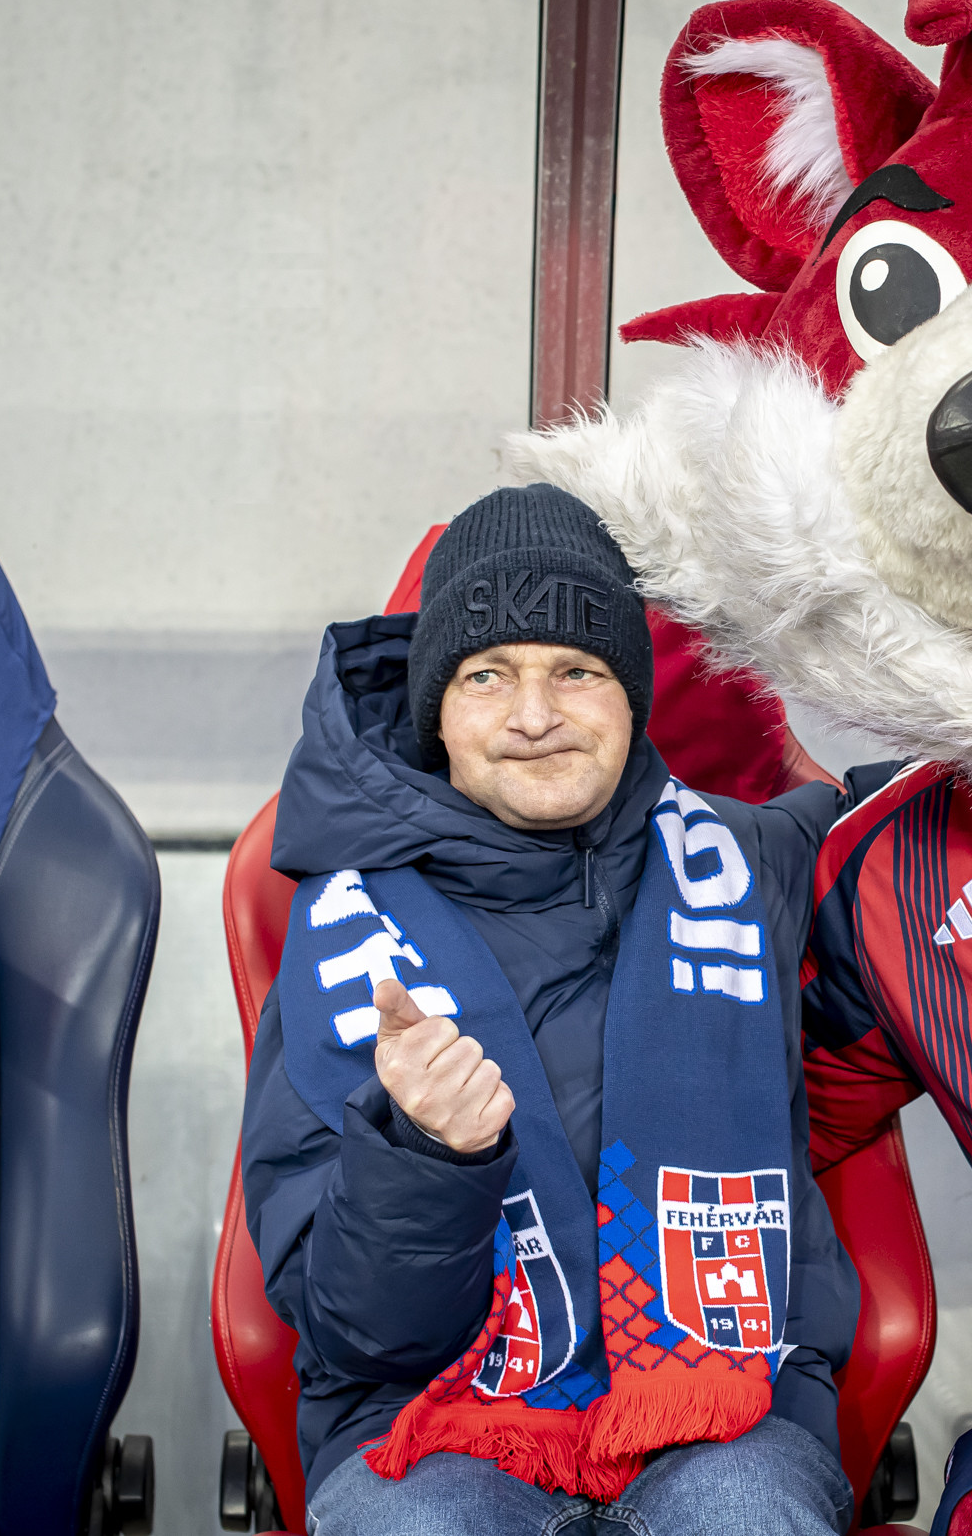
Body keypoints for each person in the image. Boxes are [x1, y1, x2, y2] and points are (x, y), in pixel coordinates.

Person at [239, 484, 859, 1536]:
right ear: (438, 708)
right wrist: (426, 1155)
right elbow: (357, 1334)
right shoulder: (345, 928)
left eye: (577, 669)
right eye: (487, 675)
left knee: (746, 1514)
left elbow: (958, 811)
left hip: (729, 1408)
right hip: (424, 1422)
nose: (534, 715)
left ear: (633, 698)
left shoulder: (755, 861)